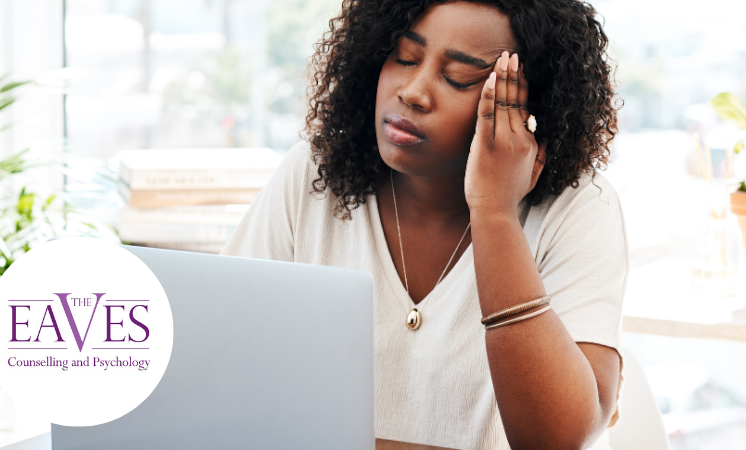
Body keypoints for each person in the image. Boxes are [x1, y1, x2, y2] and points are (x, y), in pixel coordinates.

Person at [221, 0, 627, 449]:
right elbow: (224, 366)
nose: (413, 91)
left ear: (528, 110)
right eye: (405, 58)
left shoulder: (579, 208)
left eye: (457, 77)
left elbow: (559, 440)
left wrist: (494, 212)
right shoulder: (315, 176)